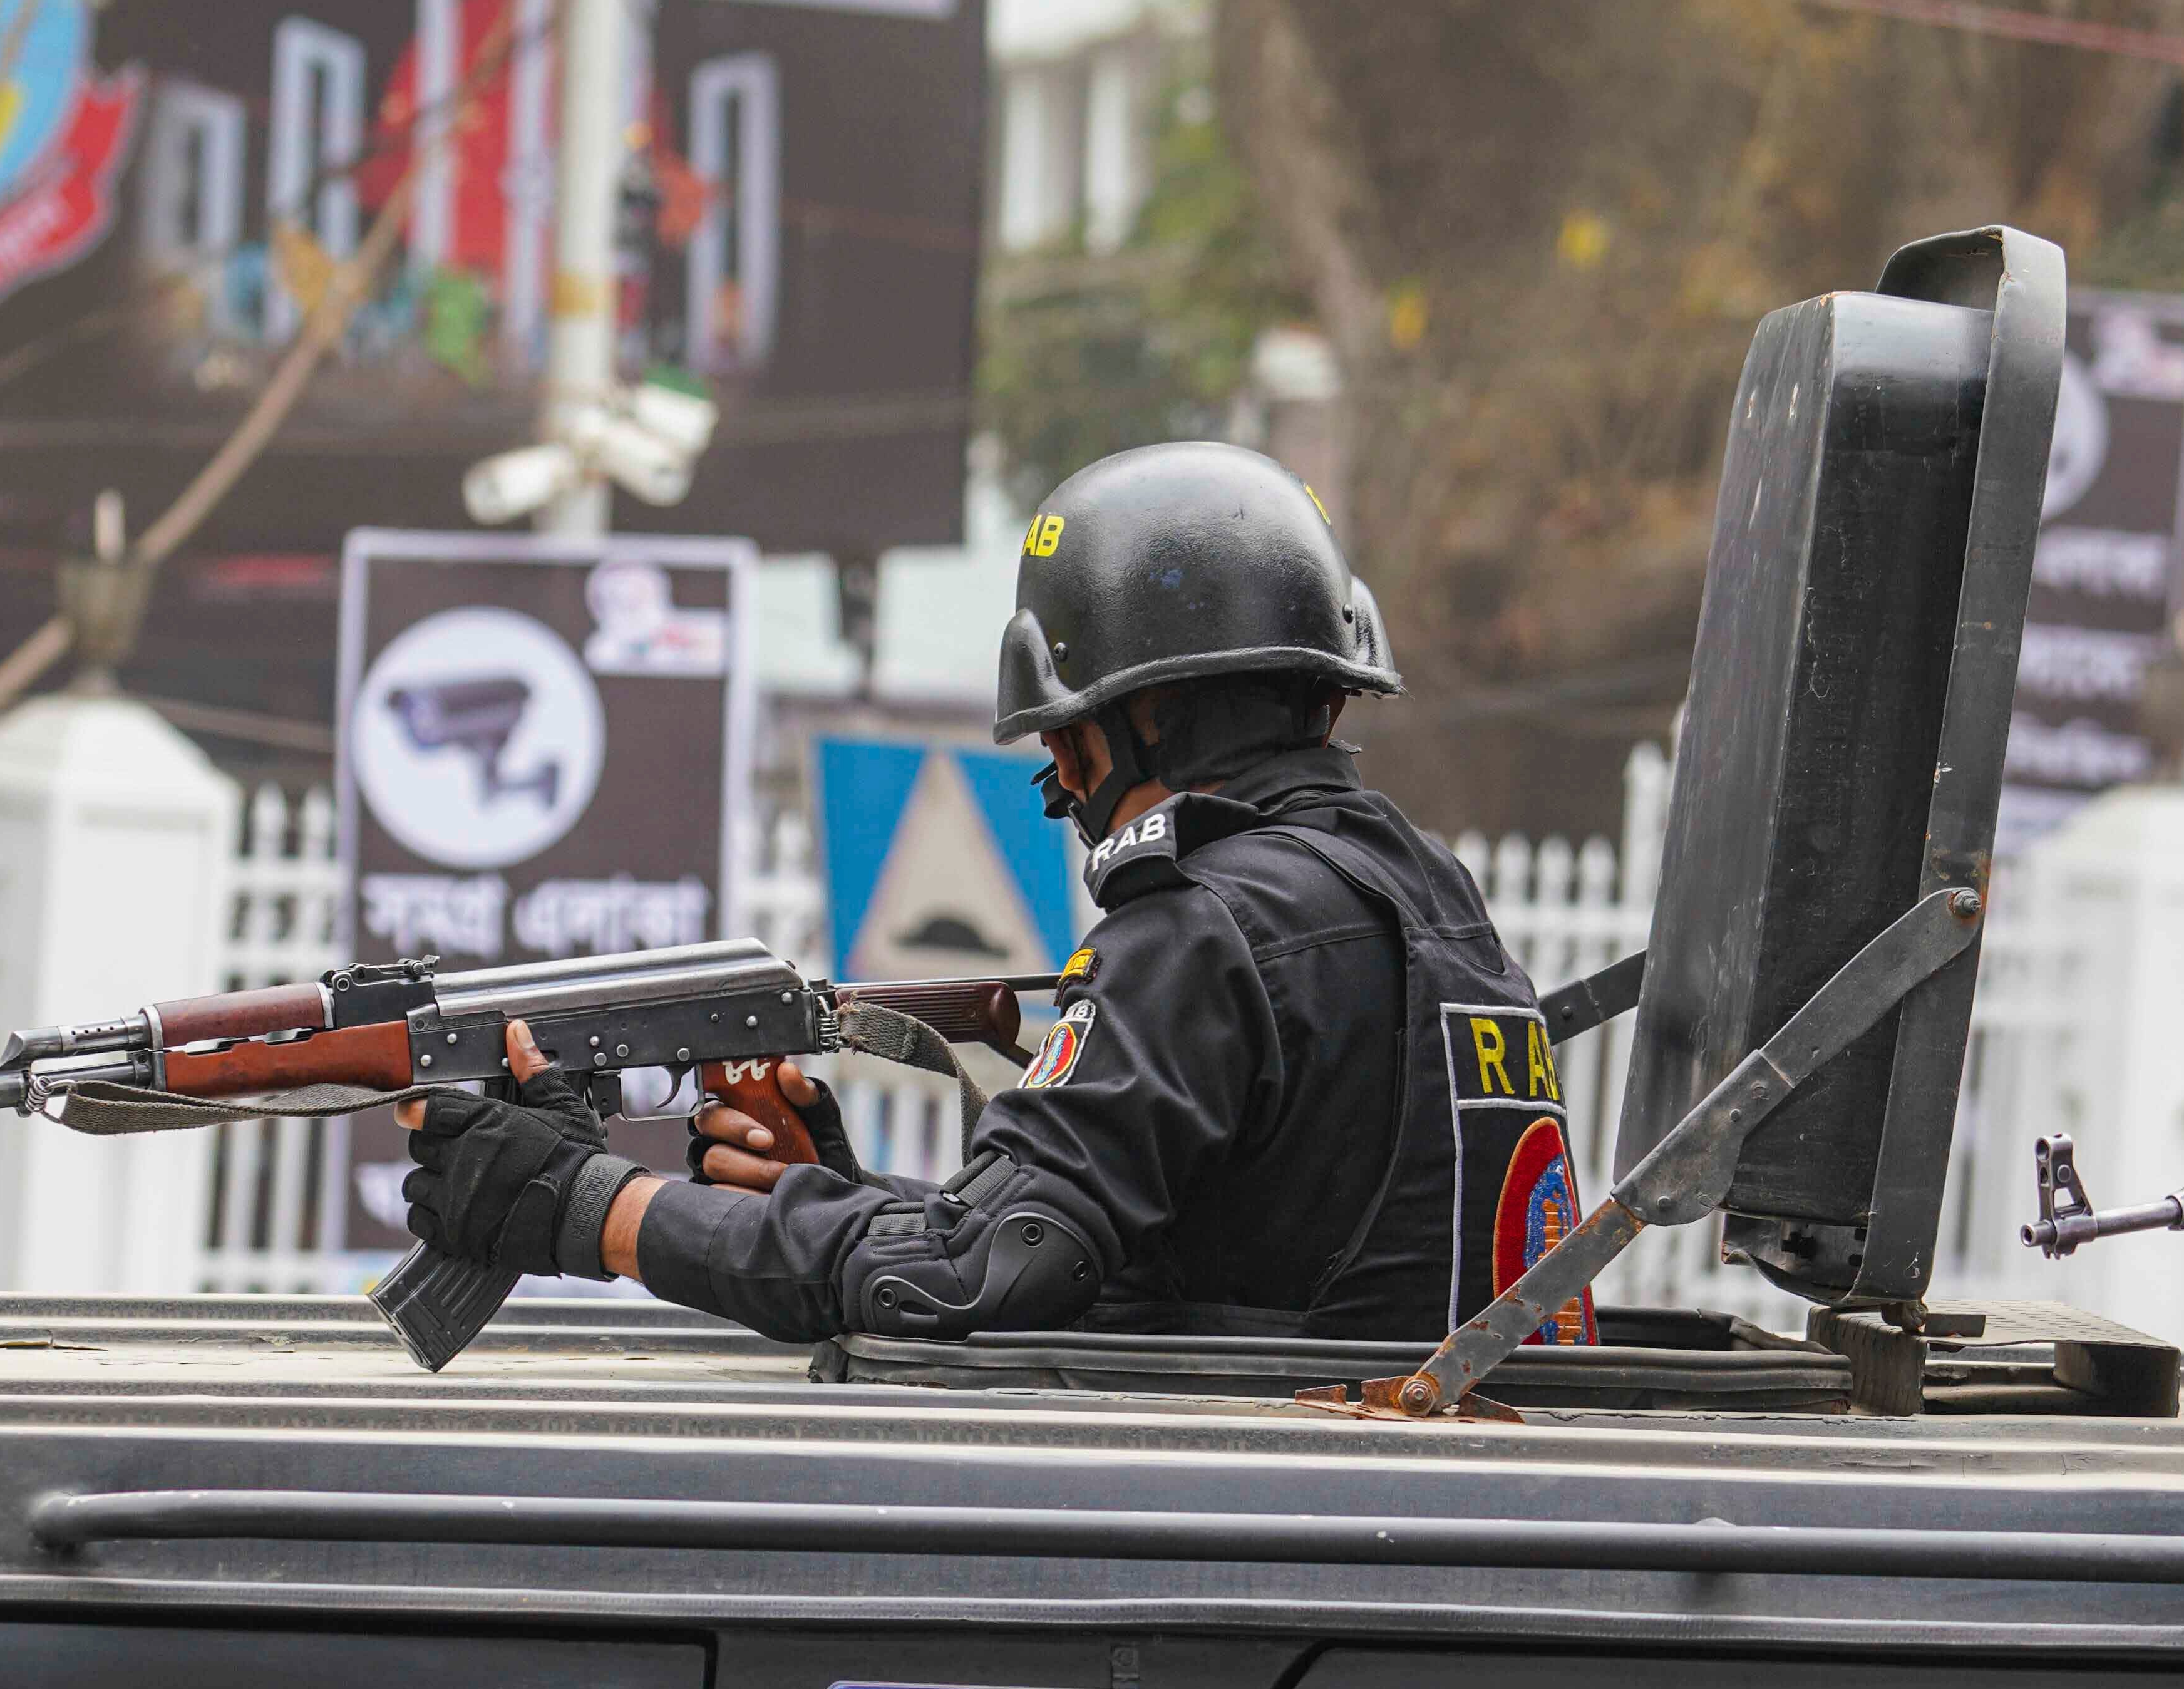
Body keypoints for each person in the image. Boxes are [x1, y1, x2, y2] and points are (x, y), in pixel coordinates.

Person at [396, 440, 1587, 1342]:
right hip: (1376, 1498)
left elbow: (975, 1278)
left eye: (1066, 739)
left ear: (1141, 717)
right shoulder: (1426, 904)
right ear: (1323, 695)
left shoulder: (1205, 931)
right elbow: (1177, 1265)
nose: (1060, 783)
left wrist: (591, 1205)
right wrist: (846, 1207)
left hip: (1279, 1517)